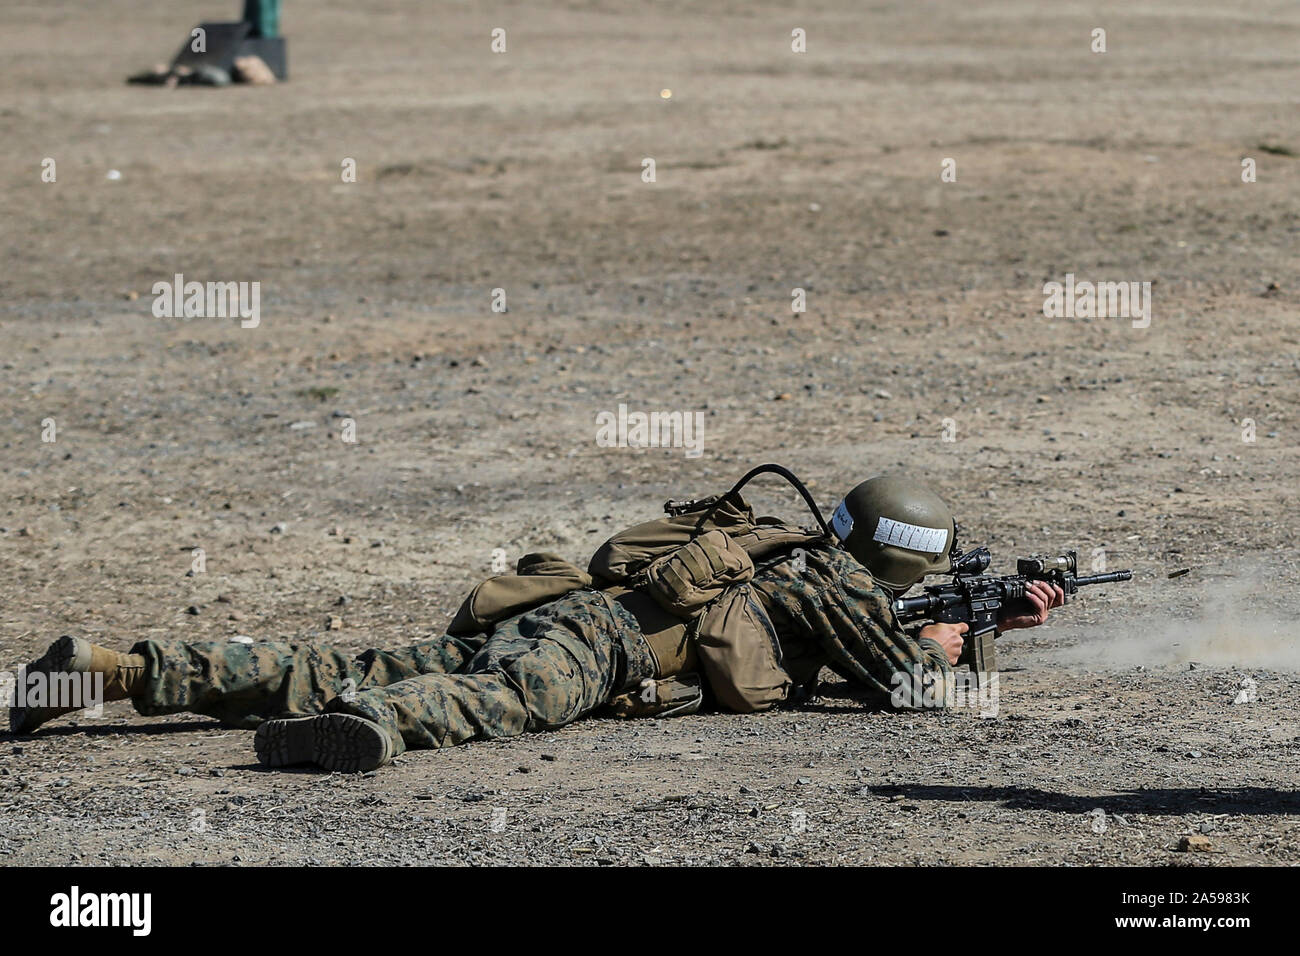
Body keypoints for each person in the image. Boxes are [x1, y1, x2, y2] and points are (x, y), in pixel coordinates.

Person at [6, 472, 1063, 772]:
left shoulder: (782, 546)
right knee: (502, 702)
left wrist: (984, 619)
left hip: (561, 606)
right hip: (588, 648)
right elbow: (913, 690)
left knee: (324, 654)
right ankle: (375, 724)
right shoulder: (833, 582)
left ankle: (112, 667)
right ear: (897, 559)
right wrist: (950, 645)